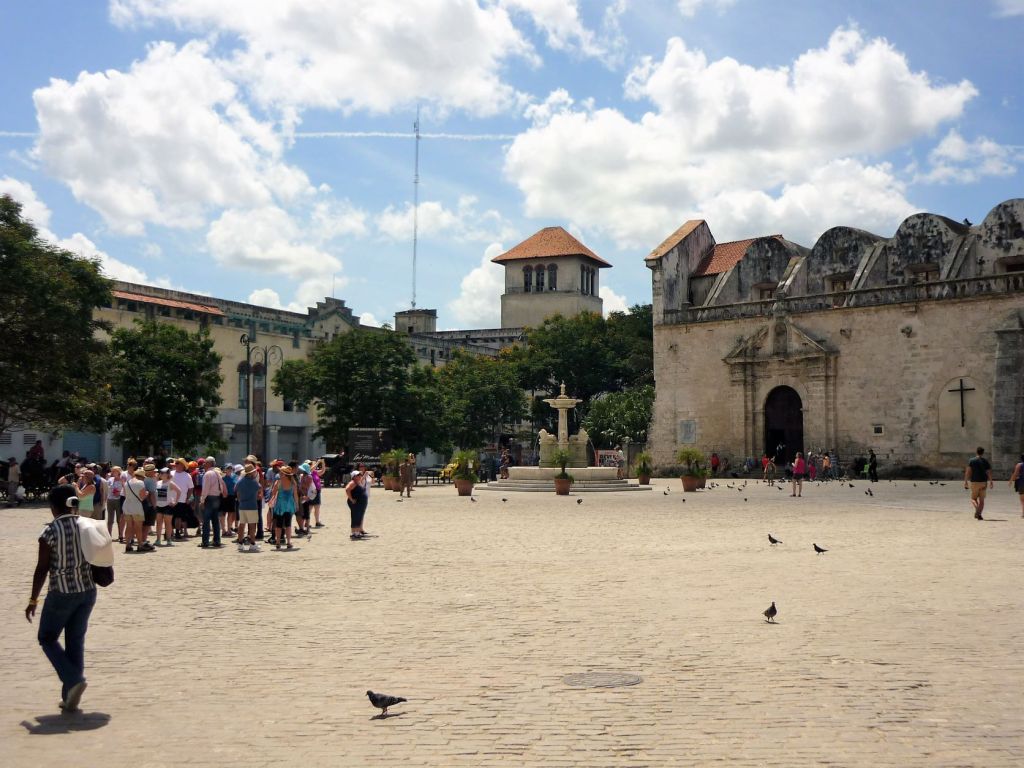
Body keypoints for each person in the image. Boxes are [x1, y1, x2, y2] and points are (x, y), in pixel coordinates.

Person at [26, 484, 98, 712]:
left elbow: (42, 569)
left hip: (62, 592)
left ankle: (73, 680)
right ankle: (70, 696)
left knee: (47, 638)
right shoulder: (86, 525)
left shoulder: (49, 532)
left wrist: (33, 599)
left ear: (53, 506)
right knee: (75, 640)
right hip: (87, 590)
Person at [199, 457, 227, 549]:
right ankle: (217, 540)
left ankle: (205, 542)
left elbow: (205, 489)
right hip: (217, 498)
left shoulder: (208, 474)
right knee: (215, 521)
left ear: (209, 463)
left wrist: (202, 500)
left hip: (209, 498)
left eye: (205, 463)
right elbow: (222, 485)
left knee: (206, 521)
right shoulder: (217, 473)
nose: (204, 464)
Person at [270, 464, 298, 550]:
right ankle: (288, 542)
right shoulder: (293, 483)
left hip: (280, 506)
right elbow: (295, 496)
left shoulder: (278, 482)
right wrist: (296, 505)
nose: (280, 474)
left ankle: (278, 542)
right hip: (289, 506)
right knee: (288, 524)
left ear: (285, 474)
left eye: (281, 473)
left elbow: (273, 493)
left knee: (279, 524)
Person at [234, 464, 262, 551]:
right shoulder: (254, 482)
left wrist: (240, 499)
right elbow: (259, 493)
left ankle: (240, 543)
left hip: (242, 506)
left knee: (241, 525)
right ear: (251, 473)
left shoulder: (240, 481)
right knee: (252, 526)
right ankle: (252, 543)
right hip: (252, 506)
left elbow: (236, 491)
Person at [122, 469, 150, 553]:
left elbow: (125, 494)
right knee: (138, 527)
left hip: (127, 505)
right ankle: (140, 545)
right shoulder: (140, 483)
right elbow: (142, 497)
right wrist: (147, 494)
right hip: (136, 506)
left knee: (129, 526)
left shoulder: (127, 483)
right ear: (141, 477)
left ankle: (127, 545)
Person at [964, 446, 994, 520]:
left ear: (976, 452)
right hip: (983, 482)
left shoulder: (972, 460)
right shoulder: (985, 461)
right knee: (982, 501)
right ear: (983, 453)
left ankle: (977, 509)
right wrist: (991, 481)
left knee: (973, 499)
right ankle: (979, 514)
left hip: (974, 482)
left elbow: (968, 472)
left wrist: (965, 481)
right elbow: (988, 472)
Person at [154, 467, 181, 546]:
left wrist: (175, 502)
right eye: (161, 473)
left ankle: (169, 540)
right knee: (158, 523)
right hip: (159, 505)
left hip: (167, 506)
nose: (161, 474)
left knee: (167, 523)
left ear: (168, 474)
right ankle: (158, 539)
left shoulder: (170, 483)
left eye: (163, 473)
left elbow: (179, 491)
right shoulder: (158, 483)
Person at [345, 463, 370, 540]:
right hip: (355, 503)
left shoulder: (358, 481)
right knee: (355, 516)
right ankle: (354, 533)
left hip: (360, 503)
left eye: (359, 475)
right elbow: (347, 489)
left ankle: (357, 532)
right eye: (357, 475)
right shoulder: (353, 483)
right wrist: (352, 499)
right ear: (353, 477)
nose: (359, 476)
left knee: (359, 517)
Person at [1009, 453, 1024, 519]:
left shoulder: (1019, 465)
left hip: (1022, 483)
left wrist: (1011, 481)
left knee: (1022, 499)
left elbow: (1015, 474)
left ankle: (1023, 513)